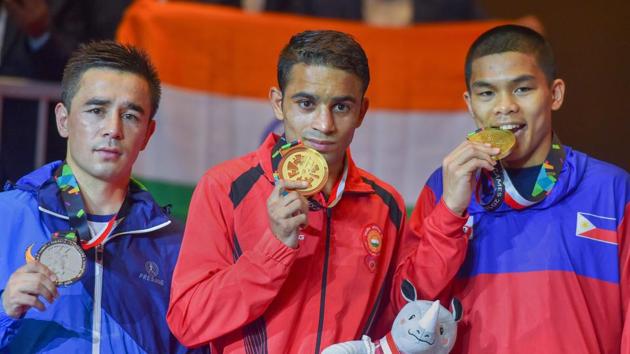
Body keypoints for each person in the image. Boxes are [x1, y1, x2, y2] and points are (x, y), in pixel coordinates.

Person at [167, 30, 406, 353]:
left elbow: (393, 329)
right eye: (306, 103)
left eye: (341, 107)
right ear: (278, 104)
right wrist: (274, 248)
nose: (324, 124)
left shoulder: (385, 205)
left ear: (361, 112)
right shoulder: (225, 187)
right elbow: (189, 322)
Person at [397, 24, 630, 353]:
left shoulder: (612, 191)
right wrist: (450, 213)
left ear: (555, 93)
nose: (504, 106)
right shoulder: (445, 186)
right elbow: (408, 313)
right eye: (487, 93)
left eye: (522, 89)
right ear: (469, 103)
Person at [0, 41, 205, 353]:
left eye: (131, 116)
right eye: (97, 110)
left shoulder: (175, 243)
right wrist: (4, 308)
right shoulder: (7, 217)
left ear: (148, 134)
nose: (113, 129)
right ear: (63, 119)